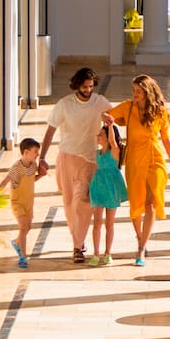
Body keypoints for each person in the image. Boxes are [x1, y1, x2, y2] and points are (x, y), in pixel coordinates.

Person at [38, 67, 113, 264]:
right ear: (77, 85)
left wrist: (109, 120)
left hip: (89, 161)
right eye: (84, 86)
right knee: (70, 204)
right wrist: (42, 158)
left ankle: (78, 245)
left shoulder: (100, 102)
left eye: (90, 86)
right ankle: (78, 243)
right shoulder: (64, 104)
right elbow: (50, 132)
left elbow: (117, 118)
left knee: (84, 203)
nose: (88, 90)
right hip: (67, 158)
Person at [104, 74, 170, 266]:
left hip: (155, 159)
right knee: (137, 203)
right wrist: (110, 119)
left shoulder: (160, 110)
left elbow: (166, 138)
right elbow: (107, 113)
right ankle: (140, 237)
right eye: (133, 90)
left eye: (138, 91)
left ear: (147, 92)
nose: (134, 94)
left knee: (151, 202)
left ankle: (141, 248)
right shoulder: (128, 107)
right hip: (135, 160)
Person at [0, 137, 44, 269]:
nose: (37, 154)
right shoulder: (16, 168)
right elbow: (6, 180)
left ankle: (16, 242)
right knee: (23, 227)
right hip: (17, 202)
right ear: (26, 152)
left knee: (28, 227)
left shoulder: (33, 166)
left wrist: (41, 175)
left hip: (29, 202)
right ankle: (23, 256)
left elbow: (31, 180)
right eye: (35, 151)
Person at [86, 125, 128, 267]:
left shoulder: (115, 151)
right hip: (98, 187)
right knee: (97, 223)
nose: (98, 137)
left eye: (101, 135)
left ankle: (108, 253)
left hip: (111, 189)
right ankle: (96, 253)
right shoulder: (97, 153)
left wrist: (110, 125)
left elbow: (113, 141)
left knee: (109, 223)